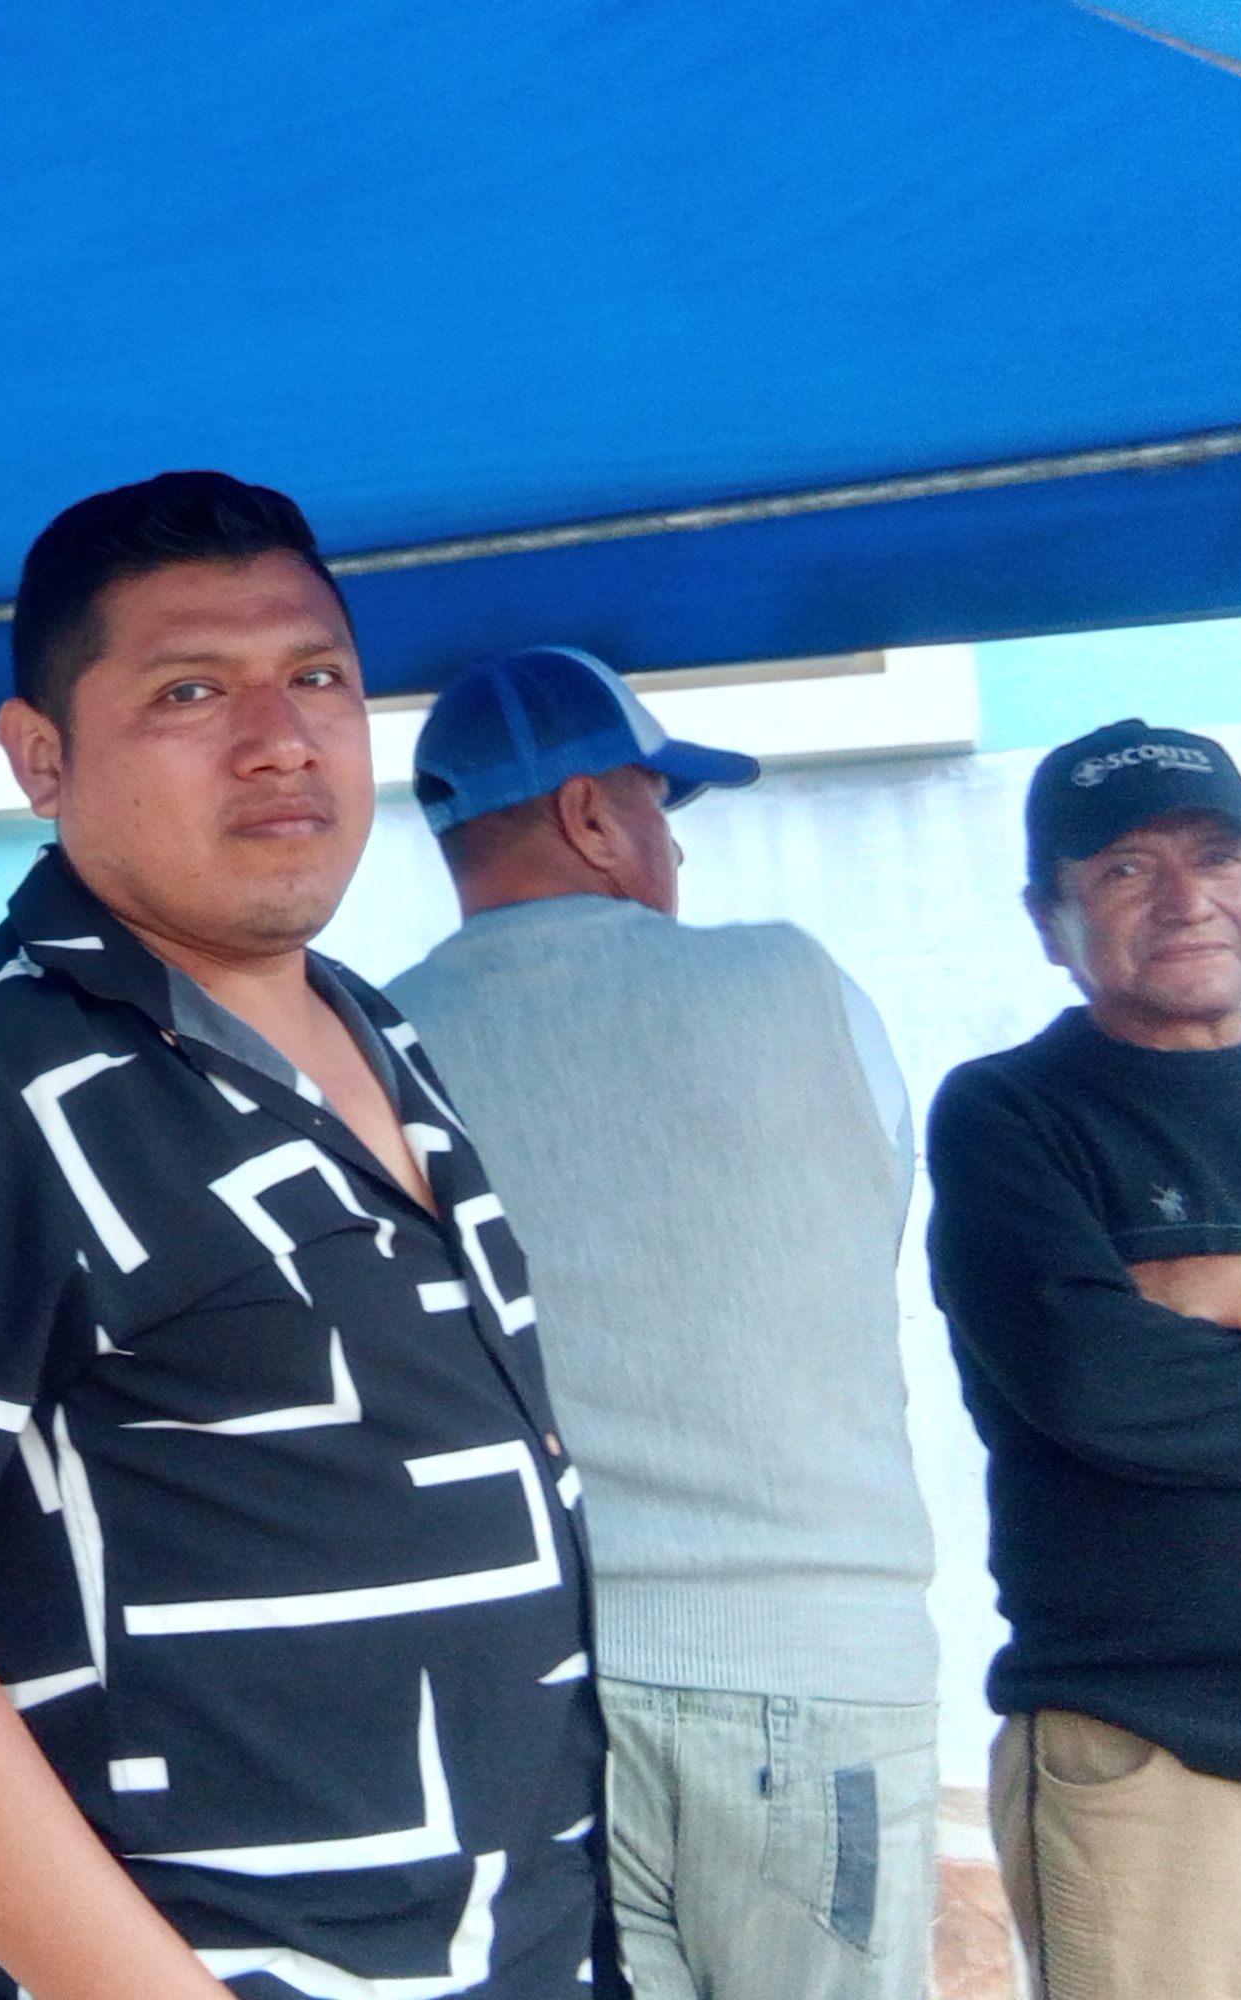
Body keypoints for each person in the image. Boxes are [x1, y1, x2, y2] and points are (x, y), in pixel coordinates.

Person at [0, 472, 611, 2000]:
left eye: (319, 677)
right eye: (191, 690)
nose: (281, 738)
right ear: (41, 758)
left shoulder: (378, 1031)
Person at [382, 645, 939, 2000]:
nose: (674, 850)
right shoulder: (792, 983)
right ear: (589, 814)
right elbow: (867, 1229)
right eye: (657, 806)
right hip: (816, 1671)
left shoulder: (379, 1048)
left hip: (534, 1692)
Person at [927, 718, 1241, 1998]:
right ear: (1047, 919)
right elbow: (1109, 1389)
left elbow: (1180, 1377)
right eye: (1123, 869)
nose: (1186, 899)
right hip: (1163, 1780)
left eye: (1218, 857)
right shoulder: (1010, 1115)